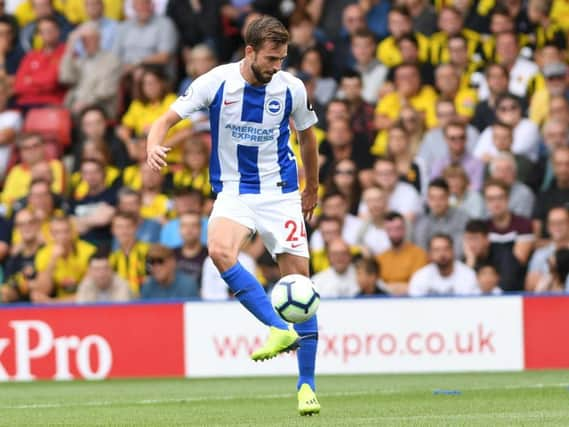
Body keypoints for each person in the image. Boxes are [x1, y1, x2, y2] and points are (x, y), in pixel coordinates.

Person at [146, 16, 321, 415]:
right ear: (250, 52)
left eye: (282, 58)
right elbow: (165, 120)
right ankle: (278, 329)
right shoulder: (216, 82)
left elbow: (307, 136)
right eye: (272, 58)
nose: (277, 65)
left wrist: (311, 187)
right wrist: (154, 145)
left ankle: (307, 386)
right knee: (220, 251)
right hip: (235, 192)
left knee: (300, 288)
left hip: (281, 194)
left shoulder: (292, 87)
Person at [408, 233, 480, 296]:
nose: (442, 254)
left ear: (453, 251)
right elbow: (415, 306)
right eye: (437, 250)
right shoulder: (420, 276)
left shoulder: (468, 275)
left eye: (446, 249)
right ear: (430, 254)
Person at [376, 211, 428, 295]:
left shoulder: (419, 254)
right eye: (390, 229)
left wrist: (390, 288)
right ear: (385, 231)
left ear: (404, 229)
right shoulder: (380, 258)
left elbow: (420, 285)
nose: (394, 233)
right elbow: (378, 286)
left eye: (398, 228)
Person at [526, 206, 569, 291]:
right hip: (548, 301)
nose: (557, 227)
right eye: (552, 223)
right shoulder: (540, 254)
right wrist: (552, 273)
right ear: (548, 227)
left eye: (561, 222)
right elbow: (530, 288)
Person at [174, 212, 208, 285]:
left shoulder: (210, 256)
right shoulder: (171, 255)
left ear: (201, 228)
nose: (189, 230)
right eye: (184, 225)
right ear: (179, 229)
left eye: (193, 225)